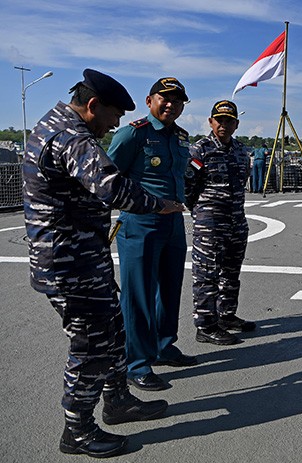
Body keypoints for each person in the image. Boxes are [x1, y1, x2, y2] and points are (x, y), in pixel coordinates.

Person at [22, 69, 184, 458]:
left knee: (112, 332)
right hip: (68, 262)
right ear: (92, 106)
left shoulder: (56, 126)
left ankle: (117, 401)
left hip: (82, 259)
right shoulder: (70, 137)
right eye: (113, 115)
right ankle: (77, 430)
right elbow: (111, 185)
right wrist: (159, 204)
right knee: (91, 346)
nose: (116, 124)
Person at [107, 77, 196, 392]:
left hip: (173, 225)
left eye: (178, 100)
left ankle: (162, 345)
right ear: (149, 100)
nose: (171, 104)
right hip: (140, 223)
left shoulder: (181, 137)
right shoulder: (133, 134)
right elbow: (108, 180)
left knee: (169, 290)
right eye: (165, 98)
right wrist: (151, 205)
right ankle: (136, 363)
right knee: (138, 295)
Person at [185, 100, 256, 345]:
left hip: (237, 220)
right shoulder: (199, 151)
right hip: (210, 224)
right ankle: (206, 325)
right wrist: (202, 211)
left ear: (236, 124)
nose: (223, 125)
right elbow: (187, 187)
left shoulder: (240, 150)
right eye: (219, 120)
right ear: (211, 122)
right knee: (206, 274)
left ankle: (226, 316)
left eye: (229, 120)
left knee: (231, 273)